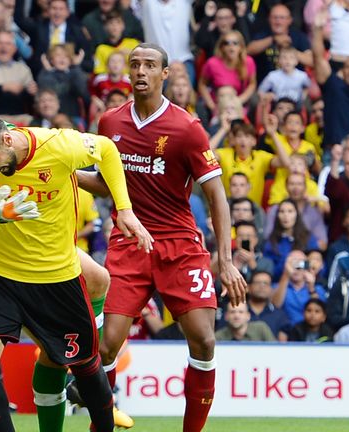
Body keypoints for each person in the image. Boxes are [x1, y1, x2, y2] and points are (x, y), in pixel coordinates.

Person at [0, 111, 151, 432]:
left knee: (87, 368)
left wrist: (125, 209)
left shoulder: (59, 145)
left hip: (57, 280)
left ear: (7, 139)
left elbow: (106, 149)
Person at [95, 43, 247, 432]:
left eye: (149, 65)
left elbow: (216, 194)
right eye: (135, 65)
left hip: (179, 245)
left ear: (165, 74)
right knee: (107, 344)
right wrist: (55, 172)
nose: (140, 71)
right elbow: (104, 183)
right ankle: (101, 425)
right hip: (129, 242)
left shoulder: (186, 128)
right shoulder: (110, 124)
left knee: (204, 341)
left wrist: (225, 261)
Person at [311, 8, 349, 152]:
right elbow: (318, 58)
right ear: (342, 72)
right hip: (334, 152)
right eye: (348, 67)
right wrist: (317, 31)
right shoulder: (334, 86)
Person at [198, 30, 257, 114]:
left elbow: (252, 84)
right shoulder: (212, 63)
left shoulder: (248, 62)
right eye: (227, 43)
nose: (231, 46)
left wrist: (240, 100)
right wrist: (212, 106)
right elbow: (202, 84)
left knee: (255, 100)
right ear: (222, 47)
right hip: (217, 103)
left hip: (240, 102)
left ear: (241, 47)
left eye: (235, 43)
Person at [273, 249, 328, 324]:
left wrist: (311, 288)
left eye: (300, 263)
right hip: (286, 330)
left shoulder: (318, 289)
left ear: (306, 266)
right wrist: (286, 274)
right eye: (293, 263)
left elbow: (319, 315)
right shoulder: (277, 287)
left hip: (308, 330)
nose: (296, 267)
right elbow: (276, 305)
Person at [246, 269, 291, 341]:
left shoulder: (280, 316)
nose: (262, 286)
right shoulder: (237, 312)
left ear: (271, 289)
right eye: (258, 283)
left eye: (266, 283)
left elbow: (282, 347)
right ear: (248, 288)